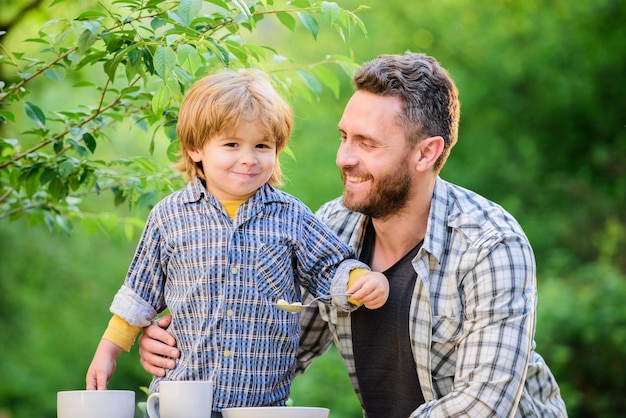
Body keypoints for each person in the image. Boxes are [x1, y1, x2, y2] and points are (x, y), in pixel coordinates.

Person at [137, 52, 568, 417]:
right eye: (344, 137)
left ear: (426, 152)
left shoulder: (489, 244)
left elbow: (482, 406)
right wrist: (180, 351)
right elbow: (271, 340)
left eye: (367, 143)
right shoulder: (332, 226)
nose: (344, 157)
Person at [85, 69, 389, 413]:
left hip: (260, 403)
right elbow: (139, 294)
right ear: (196, 148)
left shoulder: (289, 216)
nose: (248, 158)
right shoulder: (169, 217)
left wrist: (361, 280)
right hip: (184, 398)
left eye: (262, 146)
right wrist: (107, 351)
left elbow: (329, 265)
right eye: (232, 144)